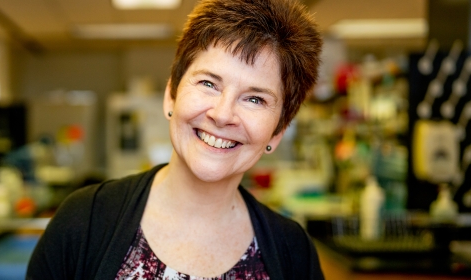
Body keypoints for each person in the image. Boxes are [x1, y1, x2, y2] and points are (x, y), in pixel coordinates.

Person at [27, 0, 323, 279]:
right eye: (209, 83)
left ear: (278, 131)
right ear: (171, 95)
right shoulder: (83, 222)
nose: (222, 115)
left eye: (255, 99)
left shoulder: (293, 252)